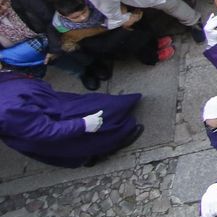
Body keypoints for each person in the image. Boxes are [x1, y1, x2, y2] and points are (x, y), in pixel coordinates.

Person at [0, 64, 142, 168]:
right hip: (56, 121)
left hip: (53, 107)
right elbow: (45, 130)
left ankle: (88, 156)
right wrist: (83, 124)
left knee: (102, 109)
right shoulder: (6, 109)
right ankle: (112, 144)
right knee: (92, 135)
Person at [52, 0, 170, 73]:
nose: (83, 18)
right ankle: (152, 57)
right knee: (133, 41)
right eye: (76, 17)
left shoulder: (94, 2)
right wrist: (124, 27)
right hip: (106, 42)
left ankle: (153, 44)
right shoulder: (72, 33)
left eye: (84, 12)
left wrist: (123, 17)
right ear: (65, 17)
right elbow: (103, 45)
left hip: (112, 27)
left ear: (85, 3)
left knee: (138, 22)